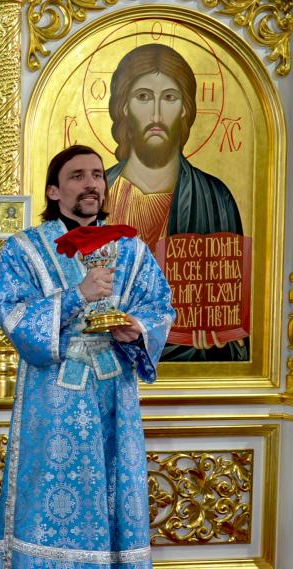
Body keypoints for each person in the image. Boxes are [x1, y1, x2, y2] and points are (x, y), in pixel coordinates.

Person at [0, 145, 175, 569]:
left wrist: (136, 328)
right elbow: (15, 320)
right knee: (50, 512)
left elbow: (159, 307)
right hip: (52, 403)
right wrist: (77, 295)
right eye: (76, 176)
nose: (90, 184)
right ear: (54, 190)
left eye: (96, 175)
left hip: (113, 400)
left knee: (111, 512)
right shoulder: (23, 249)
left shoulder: (132, 250)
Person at [103, 43, 244, 361]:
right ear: (123, 106)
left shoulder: (216, 199)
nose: (156, 114)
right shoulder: (99, 196)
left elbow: (230, 316)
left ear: (184, 109)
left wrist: (215, 337)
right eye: (143, 97)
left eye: (169, 97)